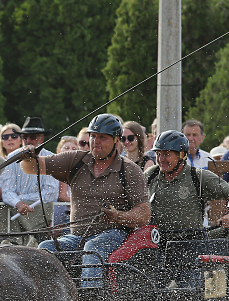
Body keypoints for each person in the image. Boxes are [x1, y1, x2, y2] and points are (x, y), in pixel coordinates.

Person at [28, 113, 150, 289]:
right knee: (46, 247)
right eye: (93, 136)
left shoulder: (130, 170)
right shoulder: (75, 160)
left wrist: (118, 216)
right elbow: (33, 167)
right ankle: (49, 298)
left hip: (115, 234)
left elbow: (144, 215)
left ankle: (91, 300)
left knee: (93, 248)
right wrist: (28, 157)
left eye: (102, 137)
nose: (96, 141)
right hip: (77, 236)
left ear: (116, 141)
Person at [146, 130, 229, 238]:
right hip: (155, 241)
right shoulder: (151, 174)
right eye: (158, 154)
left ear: (182, 155)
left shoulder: (198, 176)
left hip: (190, 243)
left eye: (166, 154)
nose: (161, 159)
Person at [0, 118, 61, 245]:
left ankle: (19, 243)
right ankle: (10, 244)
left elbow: (50, 193)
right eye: (24, 137)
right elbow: (7, 190)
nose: (28, 141)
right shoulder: (11, 158)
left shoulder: (50, 158)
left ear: (41, 139)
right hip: (19, 207)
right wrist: (18, 203)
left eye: (32, 137)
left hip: (39, 207)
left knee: (44, 206)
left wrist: (21, 201)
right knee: (6, 206)